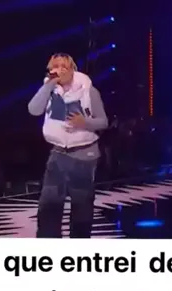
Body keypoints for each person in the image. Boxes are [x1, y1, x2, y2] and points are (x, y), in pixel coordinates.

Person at [27, 53, 108, 238]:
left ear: (73, 69)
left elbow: (103, 122)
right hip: (57, 154)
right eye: (56, 66)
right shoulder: (50, 90)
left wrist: (84, 122)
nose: (60, 70)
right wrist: (48, 84)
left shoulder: (88, 91)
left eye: (64, 66)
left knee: (81, 206)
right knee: (49, 206)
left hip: (84, 156)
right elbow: (34, 110)